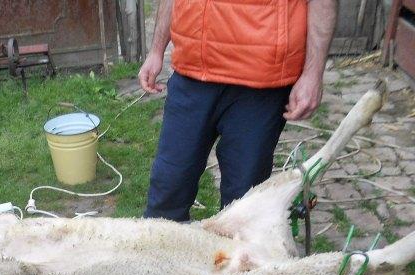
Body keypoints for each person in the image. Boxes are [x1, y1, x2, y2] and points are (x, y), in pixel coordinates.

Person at [139, 0, 337, 222]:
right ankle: (165, 244)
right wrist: (156, 50)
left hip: (260, 85)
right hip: (192, 73)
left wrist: (313, 74)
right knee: (167, 192)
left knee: (242, 209)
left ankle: (234, 245)